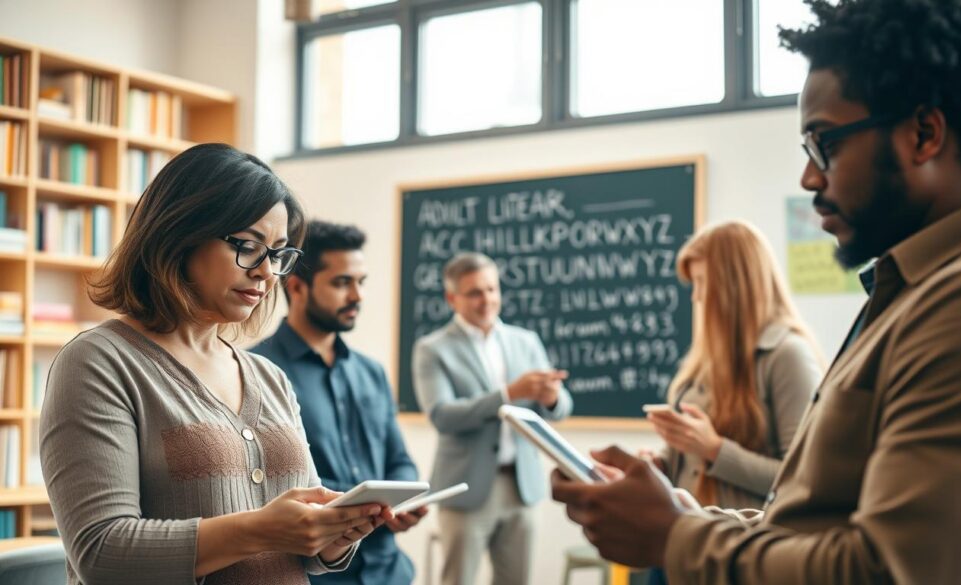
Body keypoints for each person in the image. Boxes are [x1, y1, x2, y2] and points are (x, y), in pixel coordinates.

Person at [551, 1, 961, 583]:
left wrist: (676, 535)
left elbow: (887, 571)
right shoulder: (917, 289)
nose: (810, 178)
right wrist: (677, 514)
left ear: (923, 134)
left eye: (824, 144)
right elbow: (815, 521)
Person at [40, 144, 389, 585]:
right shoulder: (99, 363)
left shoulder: (270, 377)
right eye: (247, 246)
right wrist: (258, 529)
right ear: (179, 234)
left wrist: (333, 536)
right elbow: (101, 553)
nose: (265, 272)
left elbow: (299, 545)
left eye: (278, 254)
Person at [641, 221, 823, 585]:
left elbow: (802, 481)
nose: (696, 298)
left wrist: (714, 449)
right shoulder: (709, 354)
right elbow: (692, 455)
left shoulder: (787, 355)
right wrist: (661, 462)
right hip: (685, 538)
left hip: (737, 554)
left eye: (704, 284)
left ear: (738, 285)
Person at [252, 221, 427, 585]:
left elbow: (399, 460)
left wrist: (403, 498)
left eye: (360, 282)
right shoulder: (257, 372)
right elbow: (268, 483)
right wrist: (376, 505)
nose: (357, 296)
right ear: (297, 287)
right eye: (342, 282)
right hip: (315, 575)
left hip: (389, 571)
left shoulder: (371, 372)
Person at [412, 252, 573, 585]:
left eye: (491, 289)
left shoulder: (525, 341)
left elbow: (560, 408)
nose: (486, 300)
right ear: (451, 298)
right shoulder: (433, 348)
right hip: (466, 487)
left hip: (521, 486)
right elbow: (443, 415)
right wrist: (508, 393)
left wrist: (553, 398)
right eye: (474, 292)